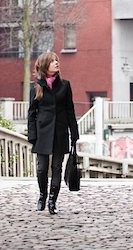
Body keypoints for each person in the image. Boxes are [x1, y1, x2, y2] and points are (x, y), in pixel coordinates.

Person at [28, 51, 79, 215]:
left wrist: (74, 133)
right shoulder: (35, 87)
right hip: (42, 133)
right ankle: (42, 195)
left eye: (57, 60)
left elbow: (70, 110)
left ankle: (52, 201)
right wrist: (32, 135)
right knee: (42, 169)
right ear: (44, 65)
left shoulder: (65, 85)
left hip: (60, 132)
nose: (57, 63)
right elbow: (31, 113)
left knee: (57, 167)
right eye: (52, 61)